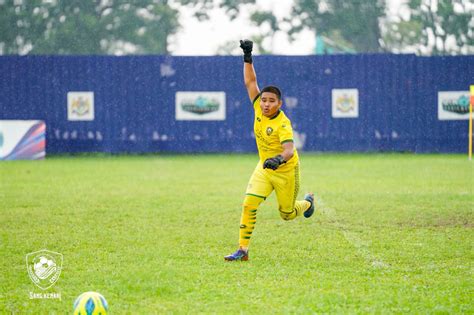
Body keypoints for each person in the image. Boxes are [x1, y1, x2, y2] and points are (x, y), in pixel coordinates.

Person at [224, 40, 315, 262]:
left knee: (287, 214)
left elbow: (290, 151)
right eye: (263, 100)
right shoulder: (257, 106)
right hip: (265, 168)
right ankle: (243, 250)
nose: (265, 104)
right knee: (248, 204)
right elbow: (250, 81)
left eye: (271, 101)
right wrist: (247, 55)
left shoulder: (283, 124)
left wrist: (279, 160)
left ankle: (308, 203)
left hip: (285, 171)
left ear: (279, 104)